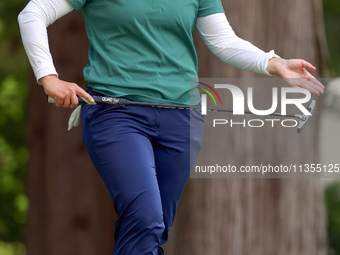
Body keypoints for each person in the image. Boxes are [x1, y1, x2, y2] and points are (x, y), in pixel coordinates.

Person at [18, 0, 324, 254]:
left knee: (156, 229)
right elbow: (33, 13)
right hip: (117, 114)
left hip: (182, 118)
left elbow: (223, 41)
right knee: (144, 218)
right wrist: (49, 77)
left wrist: (273, 63)